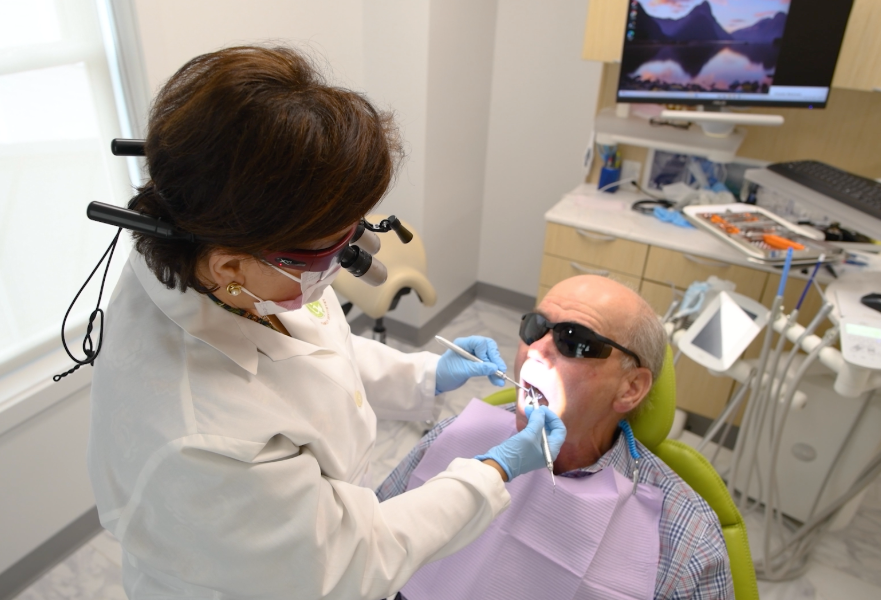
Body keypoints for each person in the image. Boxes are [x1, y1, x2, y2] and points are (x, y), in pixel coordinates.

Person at [86, 46, 564, 600]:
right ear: (230, 266)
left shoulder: (235, 275)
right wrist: (492, 472)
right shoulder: (203, 440)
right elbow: (354, 560)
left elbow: (311, 357)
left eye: (352, 236)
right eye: (325, 254)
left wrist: (427, 373)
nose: (343, 266)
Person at [378, 275, 735, 599]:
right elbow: (367, 546)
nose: (535, 350)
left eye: (574, 341)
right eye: (535, 328)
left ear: (630, 387)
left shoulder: (686, 541)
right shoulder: (455, 435)